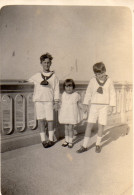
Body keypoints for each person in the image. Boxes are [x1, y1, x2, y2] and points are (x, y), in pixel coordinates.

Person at [77, 62, 116, 153]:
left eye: (100, 74)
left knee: (101, 125)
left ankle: (98, 144)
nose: (98, 76)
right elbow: (88, 93)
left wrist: (111, 106)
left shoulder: (109, 81)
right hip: (94, 105)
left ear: (104, 71)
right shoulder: (92, 80)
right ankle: (84, 145)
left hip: (104, 106)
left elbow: (113, 94)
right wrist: (86, 104)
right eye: (96, 74)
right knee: (89, 125)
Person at [29, 53, 60, 148]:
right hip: (39, 101)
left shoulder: (54, 77)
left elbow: (56, 90)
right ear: (41, 63)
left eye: (48, 63)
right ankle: (43, 140)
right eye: (44, 62)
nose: (46, 64)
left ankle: (50, 139)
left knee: (50, 120)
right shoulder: (37, 75)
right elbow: (28, 81)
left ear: (50, 64)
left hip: (49, 101)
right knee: (41, 121)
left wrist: (56, 101)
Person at [58, 79, 82, 148]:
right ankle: (66, 140)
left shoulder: (76, 95)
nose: (68, 88)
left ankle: (70, 141)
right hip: (65, 113)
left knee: (70, 128)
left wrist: (83, 108)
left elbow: (79, 103)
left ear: (73, 87)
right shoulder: (63, 95)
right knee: (66, 128)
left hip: (72, 114)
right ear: (64, 87)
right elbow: (61, 103)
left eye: (70, 86)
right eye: (67, 86)